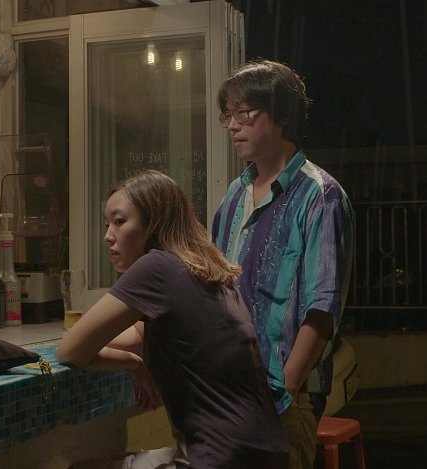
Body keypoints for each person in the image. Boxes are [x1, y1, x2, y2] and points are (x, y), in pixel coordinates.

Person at [56, 170, 288, 468]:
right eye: (107, 224)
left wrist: (133, 364)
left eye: (120, 221)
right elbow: (137, 336)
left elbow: (69, 351)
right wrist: (126, 353)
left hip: (216, 458)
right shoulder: (204, 270)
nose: (108, 235)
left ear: (153, 222)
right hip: (261, 453)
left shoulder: (156, 267)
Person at [212, 59, 354, 468]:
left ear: (282, 115)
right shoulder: (234, 195)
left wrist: (286, 389)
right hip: (232, 388)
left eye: (244, 113)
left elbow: (322, 308)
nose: (233, 125)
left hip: (286, 395)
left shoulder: (320, 195)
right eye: (228, 115)